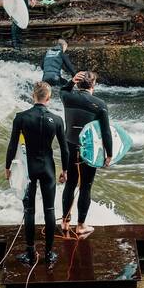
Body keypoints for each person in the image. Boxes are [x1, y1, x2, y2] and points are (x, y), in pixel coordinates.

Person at [6, 82, 69, 265]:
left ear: (33, 96)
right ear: (48, 98)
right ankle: (49, 254)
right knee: (49, 210)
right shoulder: (57, 119)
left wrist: (8, 166)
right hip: (48, 168)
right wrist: (65, 170)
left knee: (29, 210)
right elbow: (64, 150)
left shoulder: (21, 118)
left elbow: (12, 145)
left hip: (29, 170)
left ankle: (30, 253)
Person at [60, 71, 113, 236]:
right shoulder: (100, 104)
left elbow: (63, 90)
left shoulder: (67, 97)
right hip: (87, 150)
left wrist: (70, 82)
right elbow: (106, 133)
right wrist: (109, 153)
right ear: (93, 85)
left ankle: (65, 222)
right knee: (85, 187)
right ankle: (81, 225)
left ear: (78, 83)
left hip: (69, 147)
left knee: (70, 184)